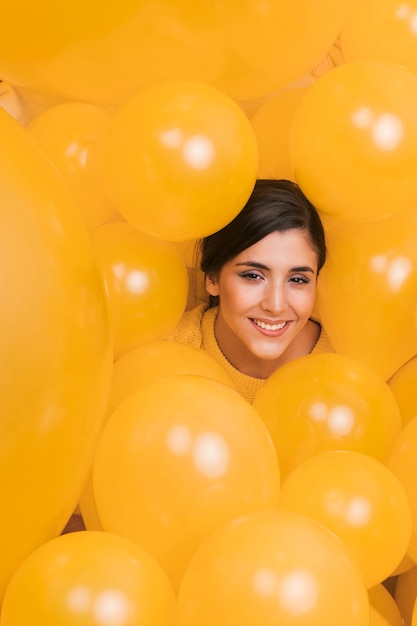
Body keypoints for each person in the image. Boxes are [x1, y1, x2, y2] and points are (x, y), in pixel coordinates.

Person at [167, 178, 334, 404]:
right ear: (213, 278)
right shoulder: (169, 352)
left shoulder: (348, 363)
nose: (275, 305)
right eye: (253, 276)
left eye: (297, 279)